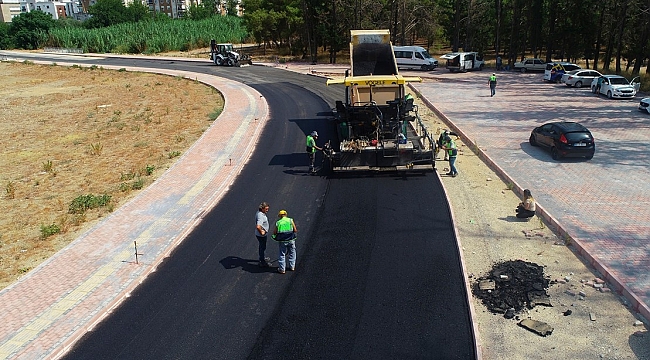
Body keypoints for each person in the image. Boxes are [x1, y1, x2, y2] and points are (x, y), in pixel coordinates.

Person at [272, 210, 298, 274]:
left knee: (282, 254)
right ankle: (292, 266)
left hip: (282, 241)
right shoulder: (290, 220)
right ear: (286, 214)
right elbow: (295, 230)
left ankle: (282, 269)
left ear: (280, 216)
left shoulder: (278, 222)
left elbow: (274, 232)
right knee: (292, 253)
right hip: (291, 240)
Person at [255, 202, 272, 267]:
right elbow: (258, 226)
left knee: (262, 246)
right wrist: (262, 232)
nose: (267, 210)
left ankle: (262, 258)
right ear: (262, 208)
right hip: (261, 236)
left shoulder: (260, 213)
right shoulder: (260, 216)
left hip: (260, 235)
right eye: (266, 209)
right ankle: (262, 262)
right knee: (262, 247)